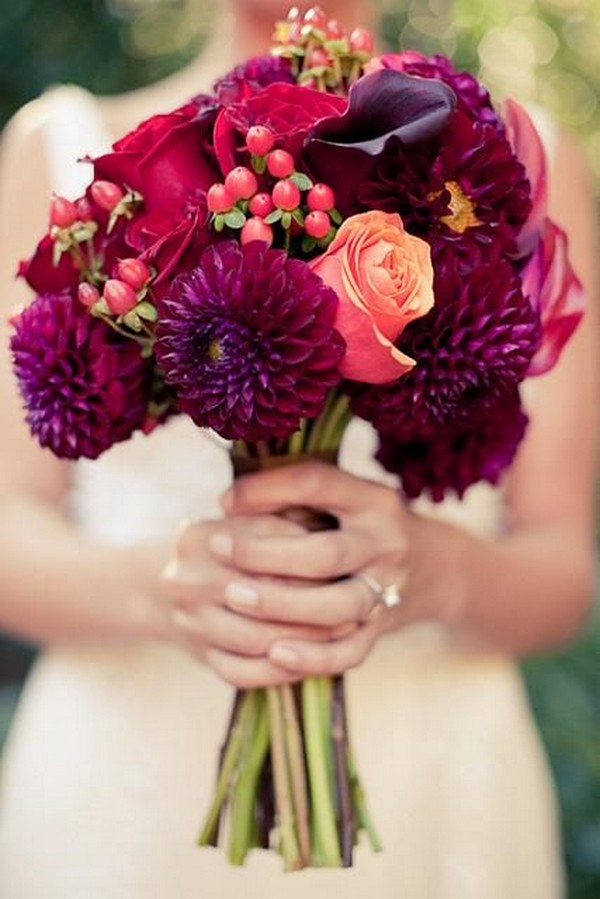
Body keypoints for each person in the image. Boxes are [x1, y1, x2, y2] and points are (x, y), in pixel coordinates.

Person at [0, 1, 597, 896]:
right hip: (121, 798)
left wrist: (432, 569)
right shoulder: (60, 147)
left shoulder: (509, 152)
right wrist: (168, 595)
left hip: (432, 796)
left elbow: (562, 572)